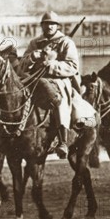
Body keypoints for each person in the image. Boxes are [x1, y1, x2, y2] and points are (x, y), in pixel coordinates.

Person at [19, 11, 79, 159]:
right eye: (46, 24)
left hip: (58, 79)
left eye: (52, 24)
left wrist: (51, 65)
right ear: (42, 26)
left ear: (57, 26)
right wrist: (32, 57)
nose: (49, 27)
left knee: (58, 99)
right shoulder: (35, 43)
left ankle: (63, 140)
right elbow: (22, 66)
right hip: (35, 79)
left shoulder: (66, 42)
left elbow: (72, 66)